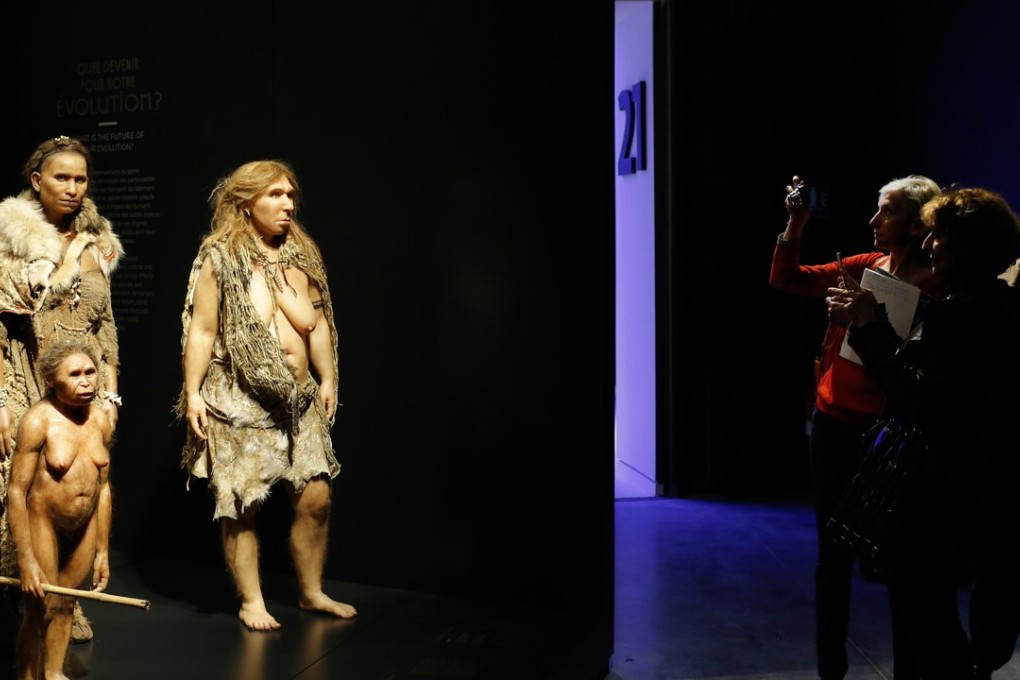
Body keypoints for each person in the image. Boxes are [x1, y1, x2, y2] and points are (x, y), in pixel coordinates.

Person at [829, 186, 1020, 680]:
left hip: (942, 497)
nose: (929, 244)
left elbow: (920, 399)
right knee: (922, 618)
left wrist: (870, 330)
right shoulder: (981, 306)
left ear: (965, 245)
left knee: (930, 626)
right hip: (951, 493)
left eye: (938, 235)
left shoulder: (976, 316)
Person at [770, 174, 945, 680]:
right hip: (833, 423)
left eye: (885, 212)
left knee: (897, 564)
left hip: (884, 435)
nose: (873, 222)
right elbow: (787, 279)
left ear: (915, 226)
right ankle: (831, 669)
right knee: (832, 557)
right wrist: (796, 222)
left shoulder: (937, 288)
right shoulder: (868, 266)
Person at [177, 159, 356, 631]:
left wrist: (329, 377)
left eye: (291, 195)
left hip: (299, 401)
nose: (287, 204)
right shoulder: (220, 257)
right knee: (242, 503)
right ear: (246, 201)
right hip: (238, 398)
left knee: (316, 497)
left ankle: (311, 591)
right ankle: (252, 600)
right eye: (275, 195)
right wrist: (192, 393)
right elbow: (202, 330)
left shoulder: (302, 254)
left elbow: (318, 322)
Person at [0, 135, 123, 645]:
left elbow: (106, 326)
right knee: (16, 486)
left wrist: (111, 391)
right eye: (61, 178)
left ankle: (62, 600)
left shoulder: (96, 246)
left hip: (80, 388)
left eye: (80, 179)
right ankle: (25, 602)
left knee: (77, 490)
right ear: (37, 181)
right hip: (20, 374)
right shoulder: (9, 238)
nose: (73, 188)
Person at [6, 341, 113, 680]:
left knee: (67, 603)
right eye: (75, 374)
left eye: (91, 372)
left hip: (85, 526)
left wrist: (102, 551)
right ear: (51, 380)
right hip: (44, 522)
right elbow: (16, 491)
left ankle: (54, 674)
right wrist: (26, 560)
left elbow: (104, 487)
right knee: (41, 608)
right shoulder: (38, 421)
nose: (87, 382)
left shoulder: (101, 420)